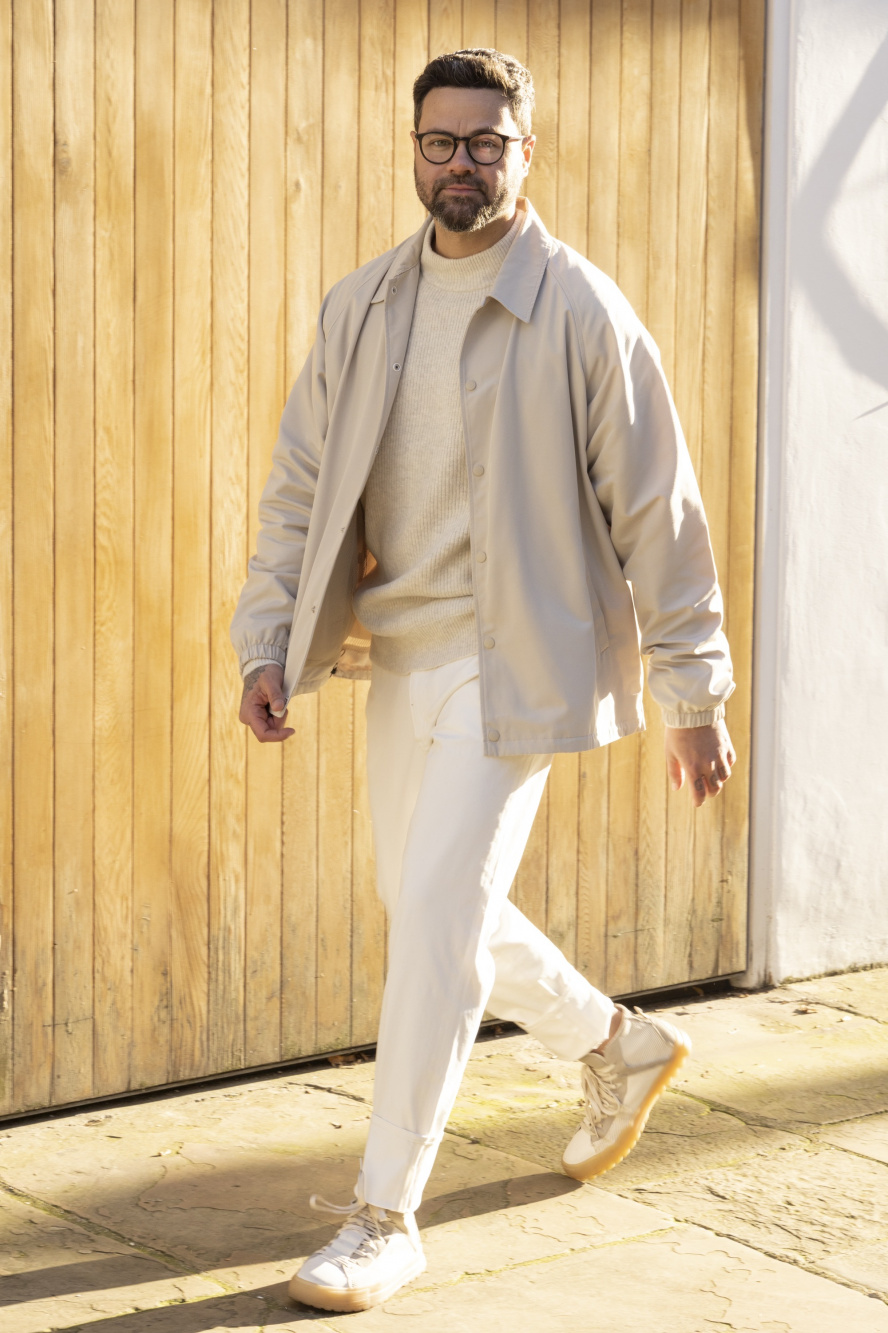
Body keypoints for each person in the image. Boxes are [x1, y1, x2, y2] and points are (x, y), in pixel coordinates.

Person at [231, 48, 736, 1315]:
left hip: (516, 660)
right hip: (396, 653)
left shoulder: (579, 309)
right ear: (413, 150)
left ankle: (385, 1213)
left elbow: (660, 514)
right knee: (420, 901)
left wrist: (695, 696)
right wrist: (267, 637)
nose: (462, 164)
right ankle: (617, 1045)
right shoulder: (364, 307)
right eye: (441, 142)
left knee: (437, 926)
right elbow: (299, 489)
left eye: (486, 144)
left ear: (526, 152)